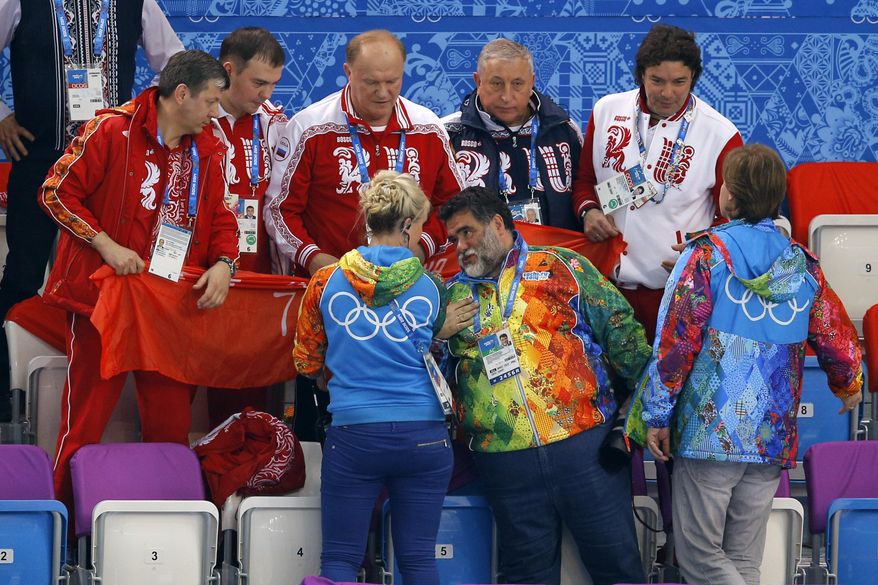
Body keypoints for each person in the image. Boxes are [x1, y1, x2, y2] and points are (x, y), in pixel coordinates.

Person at [629, 144, 864, 585]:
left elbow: (675, 345)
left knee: (700, 559)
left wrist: (656, 414)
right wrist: (848, 384)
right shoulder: (803, 265)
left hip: (708, 432)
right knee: (743, 560)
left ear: (728, 197)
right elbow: (839, 338)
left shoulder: (704, 256)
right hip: (772, 433)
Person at [39, 50, 239, 508]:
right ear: (181, 94)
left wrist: (226, 264)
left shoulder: (210, 148)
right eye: (210, 102)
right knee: (85, 421)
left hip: (168, 306)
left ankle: (165, 526)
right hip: (101, 300)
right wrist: (105, 243)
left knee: (170, 425)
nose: (216, 113)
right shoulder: (111, 129)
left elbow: (224, 217)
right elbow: (54, 192)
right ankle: (64, 529)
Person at [439, 187, 651, 585]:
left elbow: (624, 337)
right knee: (525, 576)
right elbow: (431, 377)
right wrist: (436, 334)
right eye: (453, 239)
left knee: (618, 568)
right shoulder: (451, 298)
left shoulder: (560, 266)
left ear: (497, 223)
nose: (460, 246)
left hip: (584, 447)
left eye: (467, 232)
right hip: (504, 460)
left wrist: (644, 413)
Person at [265, 29, 464, 440]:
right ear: (347, 73)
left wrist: (421, 247)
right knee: (320, 414)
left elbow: (454, 208)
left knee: (406, 408)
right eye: (371, 81)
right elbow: (279, 210)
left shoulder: (427, 127)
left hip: (407, 295)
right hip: (336, 298)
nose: (383, 92)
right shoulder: (310, 126)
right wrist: (314, 259)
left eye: (393, 81)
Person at [0, 0, 184, 404]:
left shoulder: (137, 4)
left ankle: (97, 388)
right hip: (37, 156)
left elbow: (175, 64)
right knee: (22, 275)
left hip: (110, 167)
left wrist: (160, 121)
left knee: (103, 277)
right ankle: (6, 394)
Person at [293, 171, 469, 584]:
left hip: (354, 435)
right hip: (424, 437)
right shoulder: (432, 286)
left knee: (339, 560)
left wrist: (336, 369)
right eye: (423, 224)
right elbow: (439, 355)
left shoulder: (325, 282)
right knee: (419, 562)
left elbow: (305, 361)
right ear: (408, 225)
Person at [573, 24, 743, 344]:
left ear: (693, 77)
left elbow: (734, 218)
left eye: (679, 82)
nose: (667, 93)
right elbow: (585, 182)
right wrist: (589, 212)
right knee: (610, 388)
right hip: (606, 287)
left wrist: (699, 253)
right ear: (641, 75)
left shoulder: (721, 135)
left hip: (676, 291)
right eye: (657, 80)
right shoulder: (606, 111)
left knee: (670, 390)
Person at [208, 26, 288, 427]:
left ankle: (249, 464)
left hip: (260, 273)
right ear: (228, 71)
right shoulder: (198, 116)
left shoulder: (276, 122)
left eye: (273, 84)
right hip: (205, 271)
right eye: (258, 83)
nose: (266, 94)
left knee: (252, 388)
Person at [443, 38, 582, 230]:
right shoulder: (448, 134)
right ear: (478, 81)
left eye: (517, 83)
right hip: (478, 258)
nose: (506, 96)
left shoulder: (563, 130)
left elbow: (585, 190)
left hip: (555, 256)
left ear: (532, 82)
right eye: (496, 84)